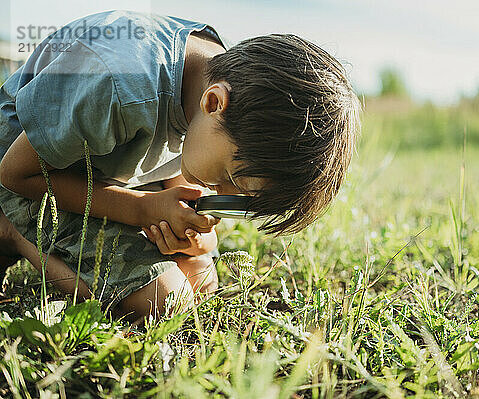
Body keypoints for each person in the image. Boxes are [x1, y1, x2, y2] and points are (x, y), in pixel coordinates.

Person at [0, 10, 361, 321]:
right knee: (164, 301)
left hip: (101, 165)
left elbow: (169, 138)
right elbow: (16, 173)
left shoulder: (213, 78)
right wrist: (141, 209)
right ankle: (12, 236)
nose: (219, 193)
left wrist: (193, 238)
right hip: (25, 166)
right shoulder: (120, 86)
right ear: (215, 103)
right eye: (231, 178)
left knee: (201, 278)